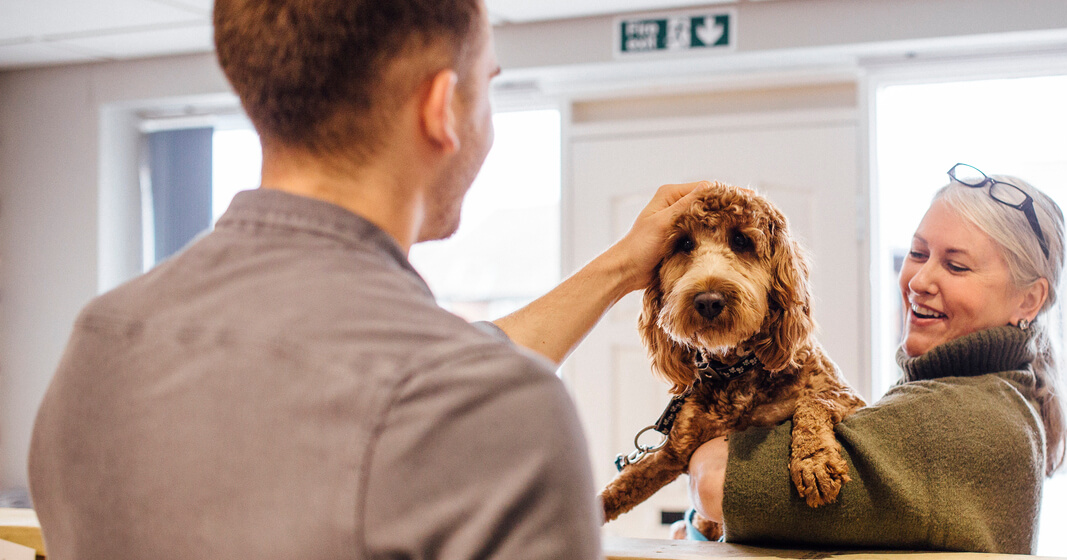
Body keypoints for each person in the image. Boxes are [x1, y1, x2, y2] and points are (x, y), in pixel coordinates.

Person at [27, 1, 704, 558]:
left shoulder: (101, 343)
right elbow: (440, 385)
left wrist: (620, 267)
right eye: (488, 85)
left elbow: (416, 372)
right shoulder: (501, 409)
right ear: (442, 107)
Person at [687, 163, 1067, 553]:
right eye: (918, 253)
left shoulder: (958, 418)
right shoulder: (1003, 397)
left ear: (1029, 300)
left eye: (956, 266)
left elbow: (714, 480)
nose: (919, 281)